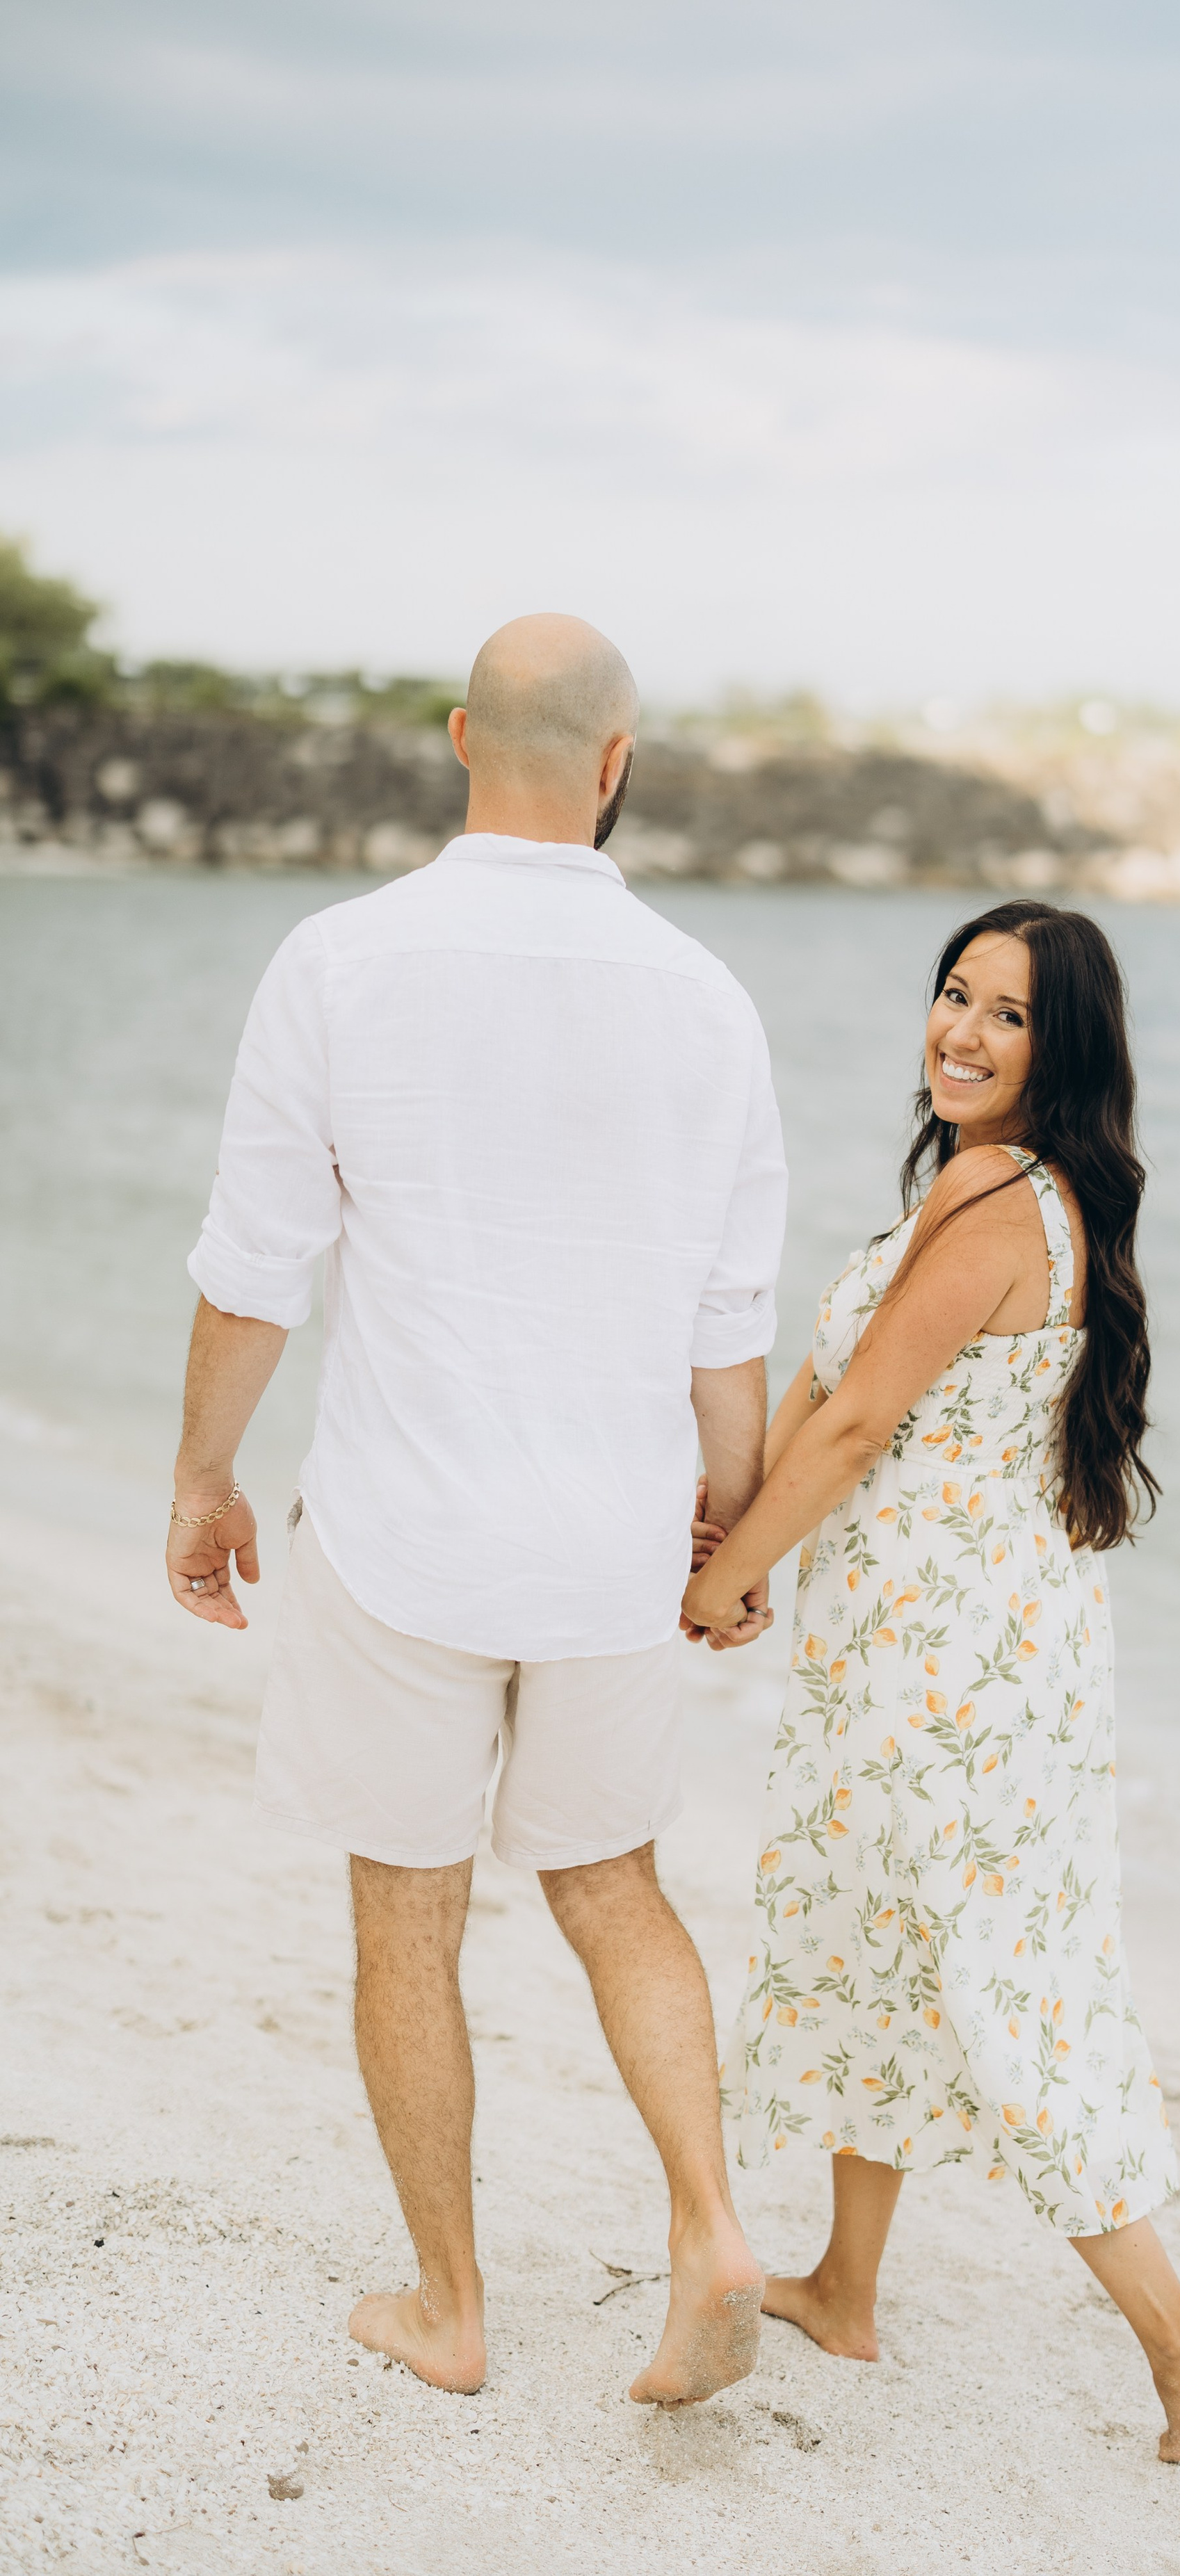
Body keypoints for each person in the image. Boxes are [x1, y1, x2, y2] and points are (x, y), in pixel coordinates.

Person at [165, 615, 785, 2406]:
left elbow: (255, 1268)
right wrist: (726, 1543)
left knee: (406, 1913)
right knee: (616, 1888)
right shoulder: (704, 996)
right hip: (606, 1545)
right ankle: (710, 2227)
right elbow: (723, 1326)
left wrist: (204, 1474)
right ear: (613, 763)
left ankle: (450, 2311)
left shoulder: (341, 960)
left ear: (459, 739)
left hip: (404, 1532)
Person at [681, 900, 1180, 2465]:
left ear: (1057, 1048)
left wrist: (729, 1573)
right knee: (884, 1946)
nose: (959, 1031)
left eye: (1004, 1013)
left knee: (1003, 2002)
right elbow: (825, 1390)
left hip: (954, 1678)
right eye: (949, 994)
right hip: (944, 1652)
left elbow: (859, 1419)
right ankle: (845, 2283)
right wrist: (736, 1533)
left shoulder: (1004, 1199)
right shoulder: (979, 1182)